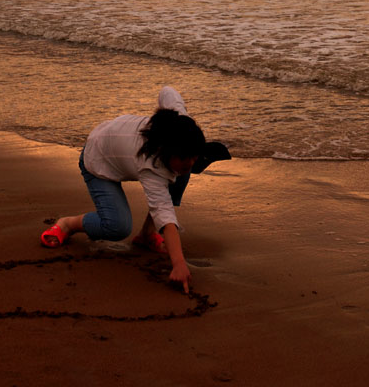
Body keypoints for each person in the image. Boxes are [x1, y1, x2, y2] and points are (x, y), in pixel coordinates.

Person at [40, 86, 229, 294]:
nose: (193, 163)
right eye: (187, 158)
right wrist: (179, 264)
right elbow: (164, 214)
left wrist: (188, 158)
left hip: (117, 145)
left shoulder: (179, 124)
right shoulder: (150, 166)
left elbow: (167, 91)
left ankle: (146, 235)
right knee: (117, 227)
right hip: (97, 160)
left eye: (195, 157)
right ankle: (68, 224)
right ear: (167, 152)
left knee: (182, 174)